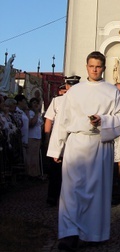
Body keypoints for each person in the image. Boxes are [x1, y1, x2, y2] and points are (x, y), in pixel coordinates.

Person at [47, 51, 120, 252]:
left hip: (100, 144)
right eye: (91, 66)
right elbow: (62, 120)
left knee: (96, 191)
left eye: (98, 66)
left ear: (104, 68)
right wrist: (57, 148)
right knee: (71, 190)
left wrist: (104, 120)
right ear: (86, 67)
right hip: (76, 143)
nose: (94, 69)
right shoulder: (75, 91)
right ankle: (69, 234)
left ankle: (94, 233)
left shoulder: (112, 92)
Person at [44, 76, 80, 206]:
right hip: (58, 141)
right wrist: (47, 138)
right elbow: (49, 119)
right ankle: (53, 198)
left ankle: (70, 199)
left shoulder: (81, 102)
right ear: (67, 87)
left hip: (75, 142)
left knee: (73, 173)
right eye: (71, 86)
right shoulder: (57, 101)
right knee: (56, 172)